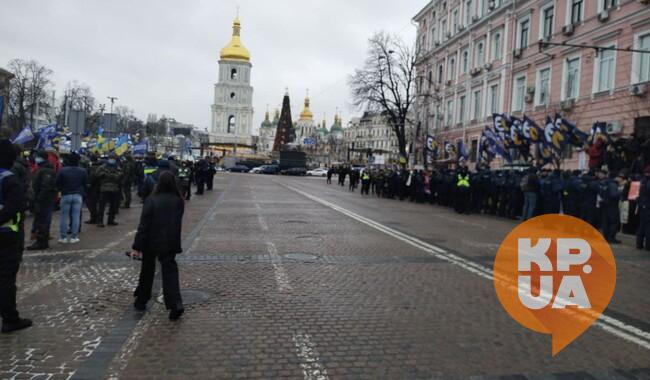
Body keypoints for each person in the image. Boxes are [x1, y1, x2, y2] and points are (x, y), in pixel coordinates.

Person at [131, 171, 185, 320]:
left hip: (151, 240)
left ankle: (142, 299)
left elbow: (144, 225)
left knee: (147, 270)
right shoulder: (178, 200)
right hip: (171, 240)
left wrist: (136, 245)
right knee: (170, 272)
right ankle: (176, 304)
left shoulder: (151, 199)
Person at [0, 140, 32, 333]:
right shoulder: (10, 180)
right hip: (7, 236)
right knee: (5, 279)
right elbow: (16, 207)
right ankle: (10, 318)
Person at [27, 151, 57, 250]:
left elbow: (46, 187)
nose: (35, 159)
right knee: (41, 220)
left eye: (37, 157)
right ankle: (41, 240)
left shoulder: (46, 170)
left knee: (42, 221)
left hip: (43, 200)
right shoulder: (42, 168)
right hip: (42, 199)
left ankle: (41, 241)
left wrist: (38, 199)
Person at [56, 153, 87, 243]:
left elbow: (58, 183)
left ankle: (63, 237)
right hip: (78, 195)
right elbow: (85, 183)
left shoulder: (62, 170)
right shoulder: (83, 171)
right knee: (76, 216)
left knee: (63, 217)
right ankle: (74, 237)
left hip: (65, 194)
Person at [96, 155, 123, 227]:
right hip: (104, 188)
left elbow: (119, 175)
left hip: (114, 188)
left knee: (113, 206)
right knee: (102, 206)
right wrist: (104, 175)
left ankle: (111, 220)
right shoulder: (102, 167)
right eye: (111, 158)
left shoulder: (117, 167)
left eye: (113, 158)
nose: (112, 160)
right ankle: (100, 221)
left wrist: (109, 175)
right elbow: (97, 174)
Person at [636, 166, 650, 250]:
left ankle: (639, 244)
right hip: (648, 206)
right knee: (648, 227)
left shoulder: (642, 180)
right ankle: (648, 246)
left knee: (641, 225)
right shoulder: (647, 182)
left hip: (642, 205)